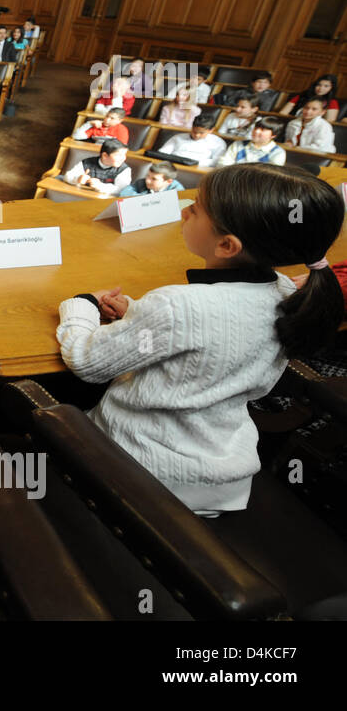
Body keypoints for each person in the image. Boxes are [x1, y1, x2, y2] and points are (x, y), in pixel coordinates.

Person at [59, 164, 344, 514]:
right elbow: (211, 337)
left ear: (226, 245)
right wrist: (137, 314)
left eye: (194, 209)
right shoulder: (289, 294)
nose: (184, 211)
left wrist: (81, 306)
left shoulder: (176, 306)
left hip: (137, 477)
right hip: (220, 480)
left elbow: (86, 361)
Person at [156, 113, 227, 167]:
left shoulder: (218, 143)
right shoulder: (178, 137)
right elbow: (162, 153)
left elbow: (216, 161)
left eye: (201, 133)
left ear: (211, 130)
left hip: (197, 168)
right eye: (194, 131)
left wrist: (194, 162)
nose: (197, 135)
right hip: (171, 166)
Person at [64, 139, 131, 196]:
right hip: (83, 195)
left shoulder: (124, 170)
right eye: (119, 155)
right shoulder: (87, 162)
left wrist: (100, 186)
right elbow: (67, 176)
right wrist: (77, 179)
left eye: (124, 155)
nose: (123, 158)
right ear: (104, 155)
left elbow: (122, 189)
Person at [217, 119, 286, 166]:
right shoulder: (238, 144)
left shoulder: (277, 152)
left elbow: (270, 175)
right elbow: (223, 163)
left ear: (273, 135)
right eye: (256, 128)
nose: (256, 131)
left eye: (263, 130)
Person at [116, 161, 184, 198]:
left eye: (154, 179)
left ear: (168, 181)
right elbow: (124, 194)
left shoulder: (177, 191)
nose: (147, 180)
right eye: (147, 175)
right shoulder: (141, 182)